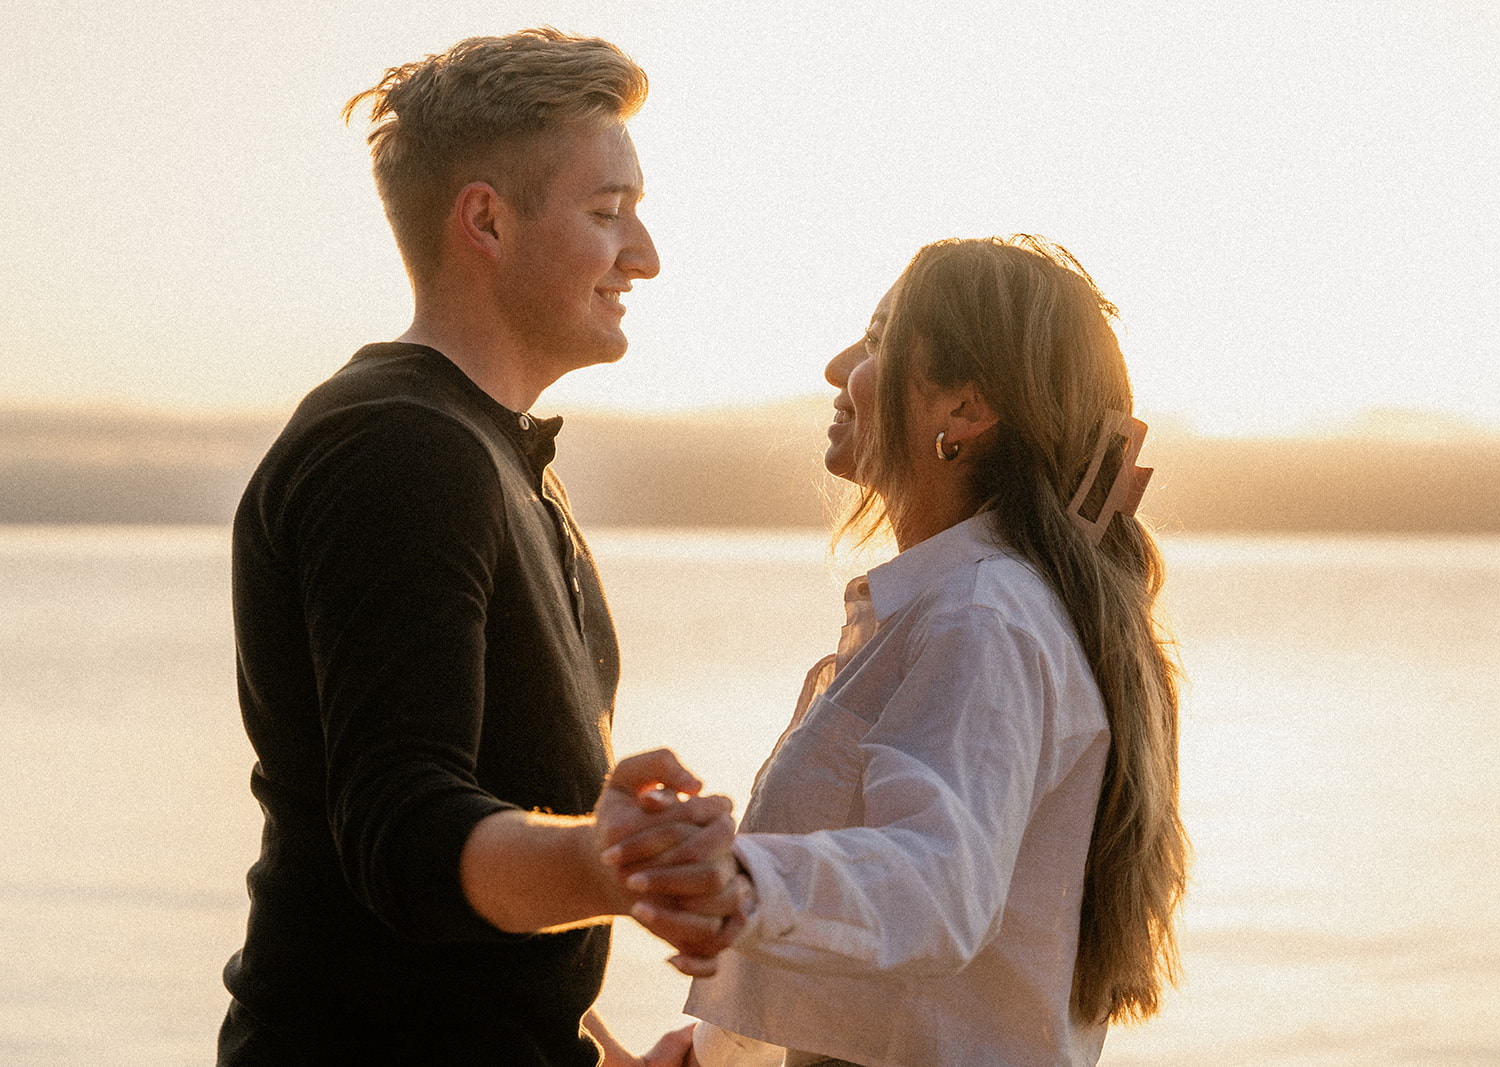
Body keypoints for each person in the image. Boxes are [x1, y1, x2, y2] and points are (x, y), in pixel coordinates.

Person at [219, 29, 744, 1066]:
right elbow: (406, 836)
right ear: (487, 221)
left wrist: (593, 1050)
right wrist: (611, 867)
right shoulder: (399, 448)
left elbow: (468, 920)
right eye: (607, 214)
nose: (643, 255)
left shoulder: (493, 454)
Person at [618, 235, 1190, 1065]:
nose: (836, 366)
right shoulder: (968, 607)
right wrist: (715, 1053)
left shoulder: (983, 615)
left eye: (880, 341)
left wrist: (735, 880)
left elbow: (934, 884)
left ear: (965, 409)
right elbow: (916, 988)